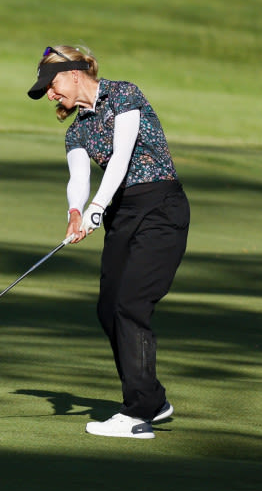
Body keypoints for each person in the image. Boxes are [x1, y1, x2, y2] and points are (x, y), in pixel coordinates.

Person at [27, 45, 189, 440]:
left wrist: (98, 205)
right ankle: (152, 397)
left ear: (76, 73)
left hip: (161, 207)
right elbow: (78, 178)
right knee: (108, 308)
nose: (49, 93)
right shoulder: (77, 130)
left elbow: (122, 154)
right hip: (122, 216)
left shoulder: (124, 95)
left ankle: (137, 414)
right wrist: (76, 212)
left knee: (131, 303)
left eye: (52, 83)